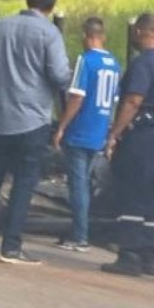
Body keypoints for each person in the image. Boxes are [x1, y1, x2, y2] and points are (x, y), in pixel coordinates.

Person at [0, 0, 71, 264]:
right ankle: (11, 246)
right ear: (53, 3)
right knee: (23, 183)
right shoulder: (49, 34)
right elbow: (60, 75)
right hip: (32, 119)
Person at [100, 13, 154, 278]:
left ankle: (129, 253)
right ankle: (149, 254)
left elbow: (133, 101)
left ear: (139, 32)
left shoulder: (142, 64)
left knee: (132, 191)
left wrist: (115, 133)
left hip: (142, 134)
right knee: (151, 195)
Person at [52, 17, 121, 252]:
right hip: (100, 129)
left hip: (81, 129)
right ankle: (80, 229)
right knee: (86, 182)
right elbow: (115, 101)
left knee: (77, 184)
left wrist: (62, 126)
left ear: (86, 36)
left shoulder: (86, 60)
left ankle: (79, 234)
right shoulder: (114, 63)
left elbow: (77, 96)